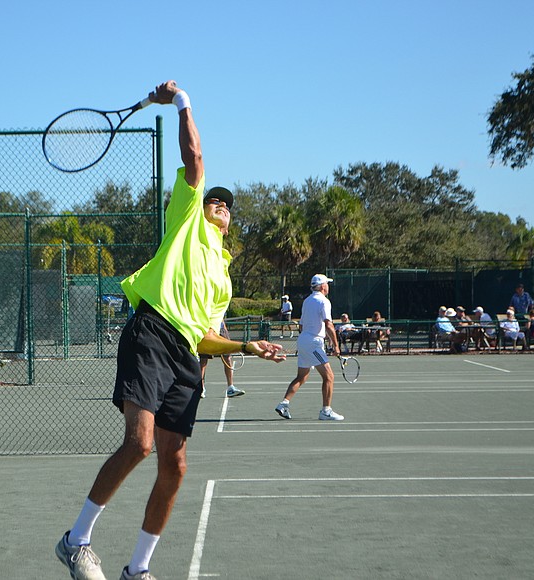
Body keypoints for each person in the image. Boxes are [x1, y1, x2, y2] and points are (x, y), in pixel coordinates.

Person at [55, 80, 285, 580]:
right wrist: (181, 103)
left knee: (174, 468)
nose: (220, 204)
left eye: (227, 205)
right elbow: (196, 159)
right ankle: (76, 541)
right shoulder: (186, 219)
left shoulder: (223, 279)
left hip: (185, 357)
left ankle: (137, 570)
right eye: (214, 200)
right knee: (138, 444)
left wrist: (248, 344)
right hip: (151, 333)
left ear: (231, 222)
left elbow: (205, 337)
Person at [275, 274, 345, 421]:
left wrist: (308, 340)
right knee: (329, 377)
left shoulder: (307, 301)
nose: (328, 286)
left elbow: (301, 325)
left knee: (302, 376)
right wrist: (336, 346)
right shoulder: (324, 301)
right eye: (327, 284)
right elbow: (329, 324)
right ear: (322, 286)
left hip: (304, 340)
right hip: (313, 343)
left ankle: (284, 404)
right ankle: (326, 411)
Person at [199, 319, 246, 399]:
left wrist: (224, 329)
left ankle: (230, 387)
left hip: (220, 328)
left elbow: (221, 315)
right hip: (207, 328)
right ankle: (201, 388)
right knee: (203, 360)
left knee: (227, 357)